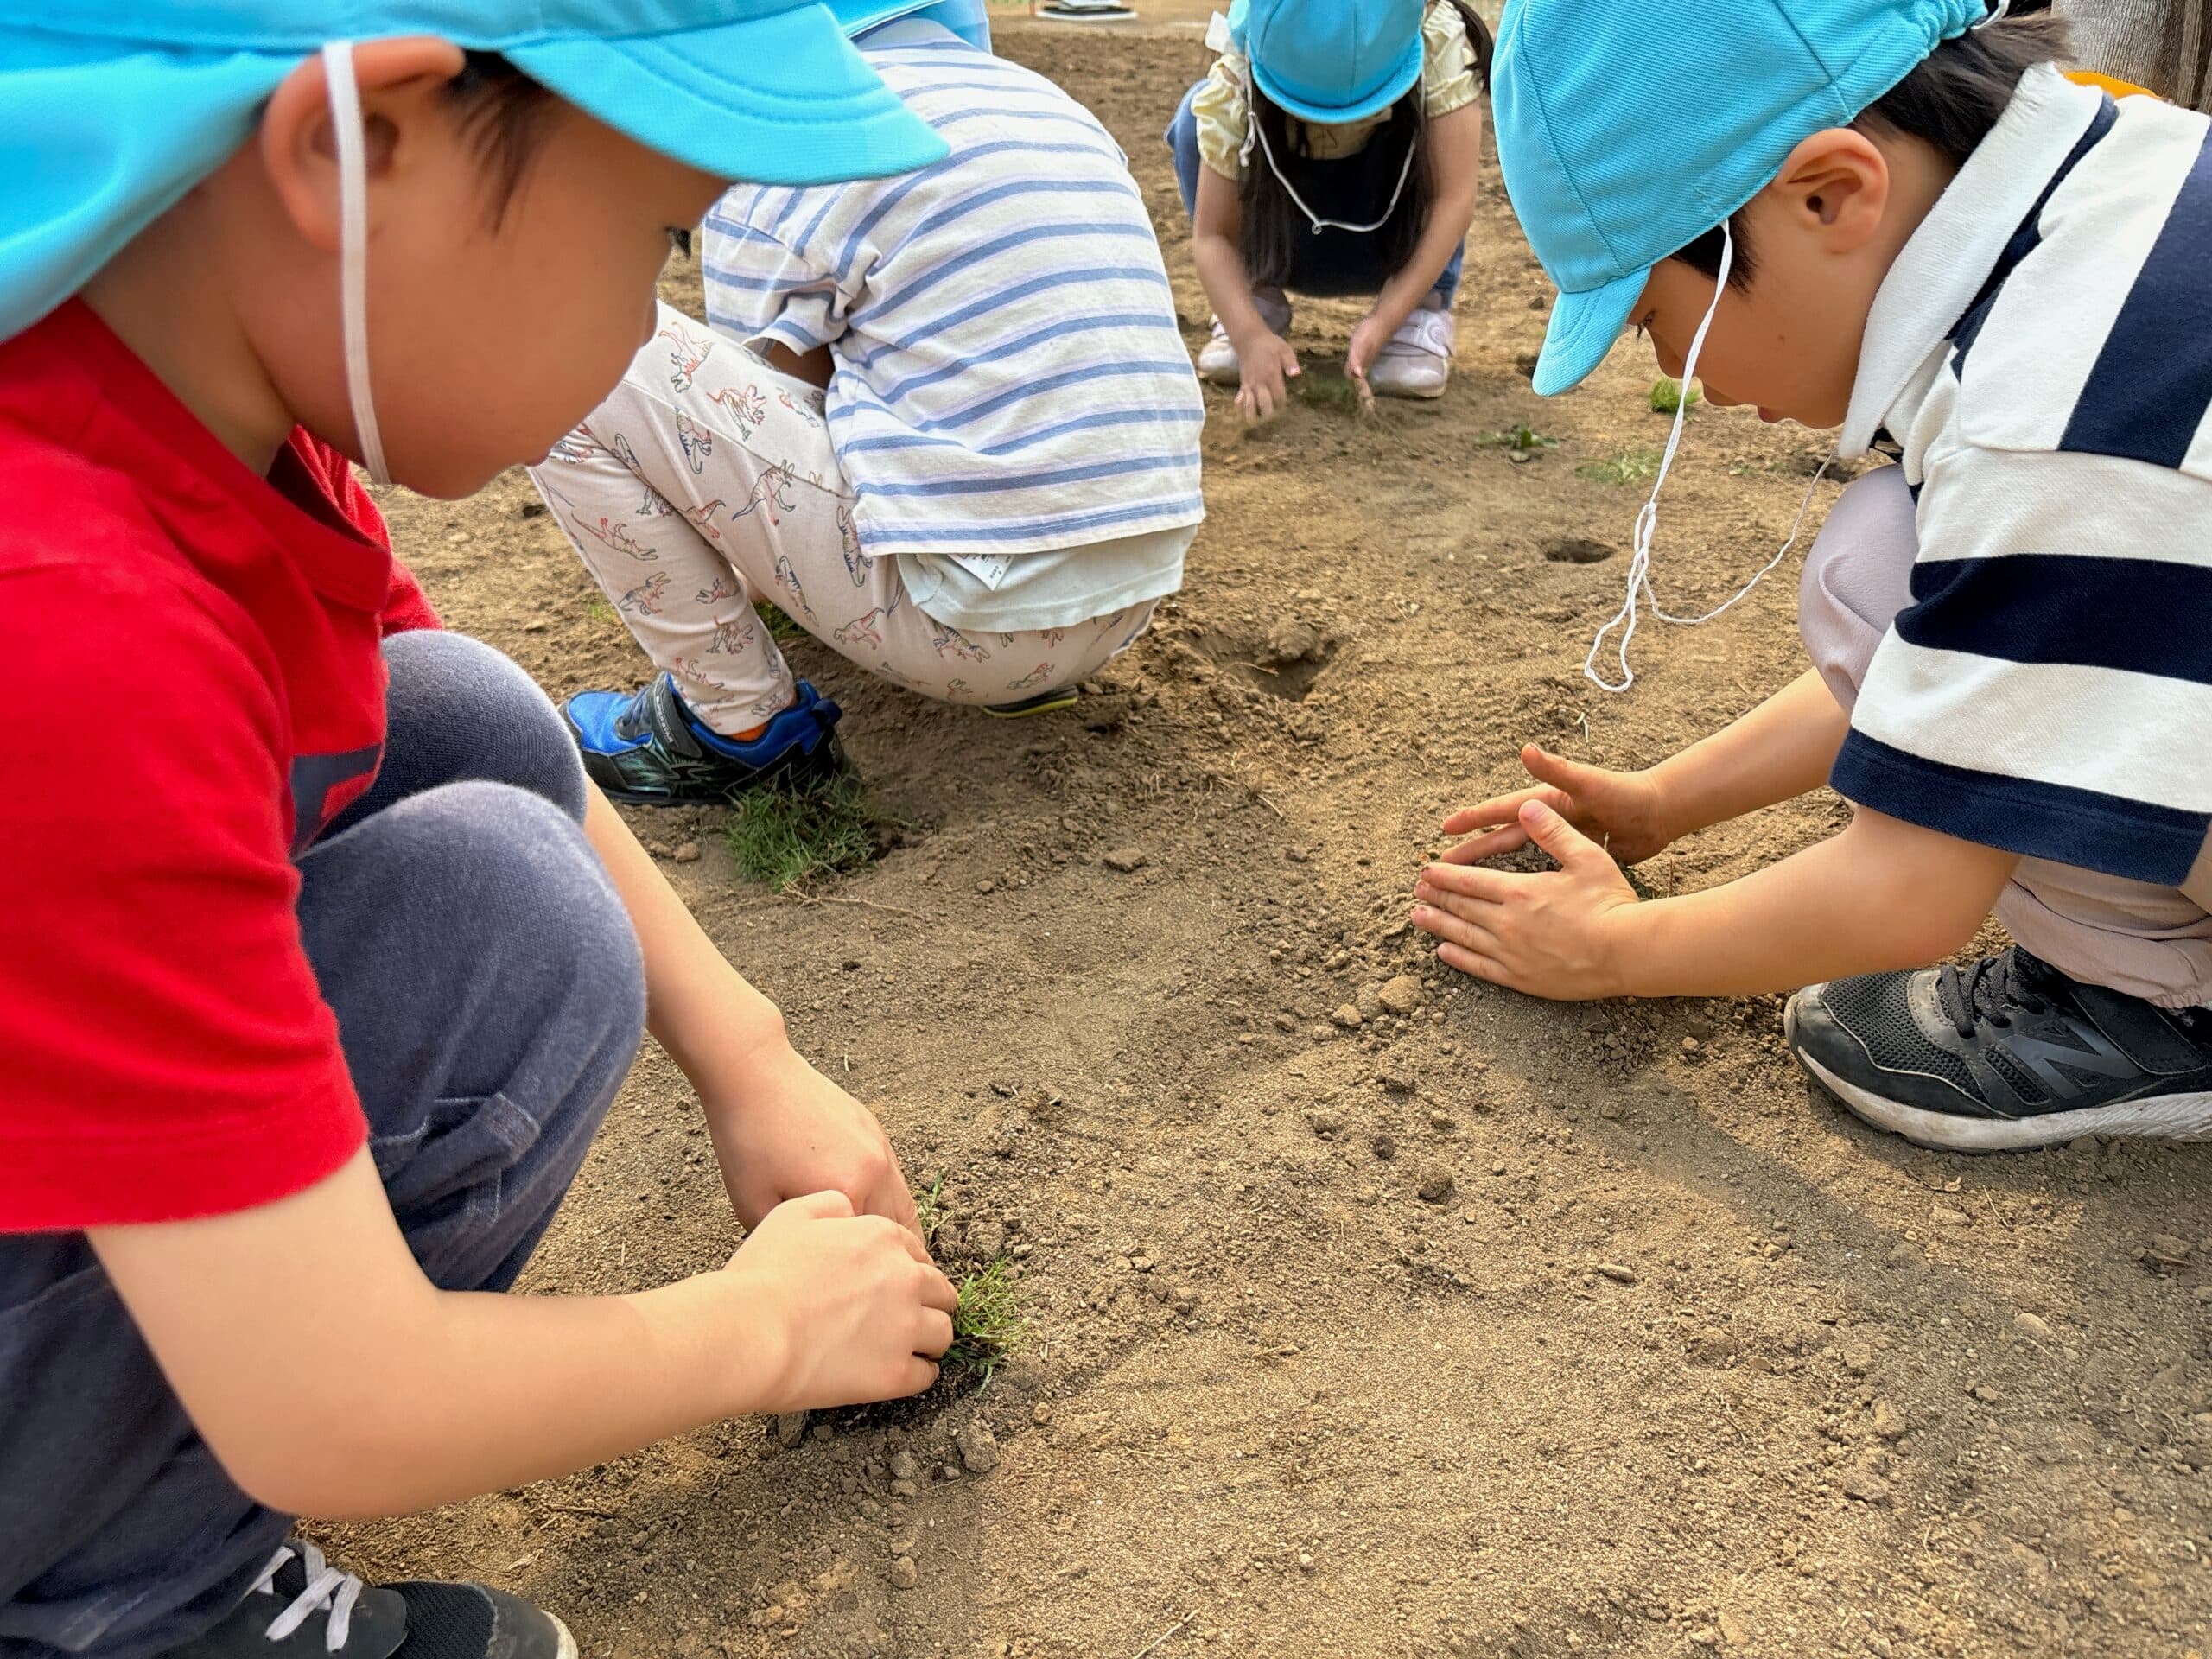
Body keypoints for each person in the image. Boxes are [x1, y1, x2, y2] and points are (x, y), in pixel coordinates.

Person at [0, 5, 967, 1655]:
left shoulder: (172, 375)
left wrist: (755, 1059)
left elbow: (435, 710)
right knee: (508, 911)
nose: (640, 334)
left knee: (455, 715)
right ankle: (124, 1601)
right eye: (652, 239)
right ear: (360, 147)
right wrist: (763, 1330)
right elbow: (333, 1405)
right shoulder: (73, 625)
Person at [1411, 0, 2212, 1152]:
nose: (1676, 373)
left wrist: (1609, 949)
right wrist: (1667, 802)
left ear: (1831, 193)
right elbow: (1983, 647)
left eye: (1652, 318)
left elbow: (1912, 886)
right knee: (1891, 555)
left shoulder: (2052, 414)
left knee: (1874, 556)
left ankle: (2164, 1005)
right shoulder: (2113, 192)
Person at [527, 0, 1205, 805]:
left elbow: (748, 414)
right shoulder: (1046, 104)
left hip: (971, 628)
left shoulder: (785, 135)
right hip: (1131, 597)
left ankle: (738, 727)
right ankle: (1007, 646)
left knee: (569, 348)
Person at [1165, 0, 1491, 416]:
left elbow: (1453, 199)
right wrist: (1249, 337)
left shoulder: (1433, 32)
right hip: (1282, 246)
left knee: (1448, 142)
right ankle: (1252, 299)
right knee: (1195, 115)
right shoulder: (1242, 59)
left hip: (1391, 244)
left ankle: (1419, 313)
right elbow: (1213, 236)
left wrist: (1383, 322)